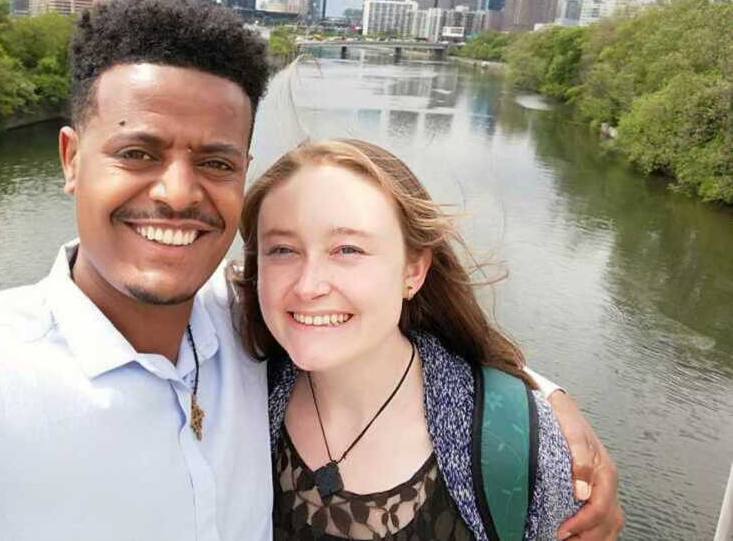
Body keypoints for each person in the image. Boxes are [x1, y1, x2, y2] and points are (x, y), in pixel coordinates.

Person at [0, 0, 621, 540]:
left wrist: (544, 403)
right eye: (137, 152)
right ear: (72, 159)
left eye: (213, 160)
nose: (176, 193)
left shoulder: (251, 331)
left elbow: (368, 311)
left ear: (242, 170)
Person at [233, 138, 603, 540]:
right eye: (283, 249)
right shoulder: (235, 388)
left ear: (413, 270)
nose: (308, 286)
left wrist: (538, 396)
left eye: (347, 249)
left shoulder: (517, 444)